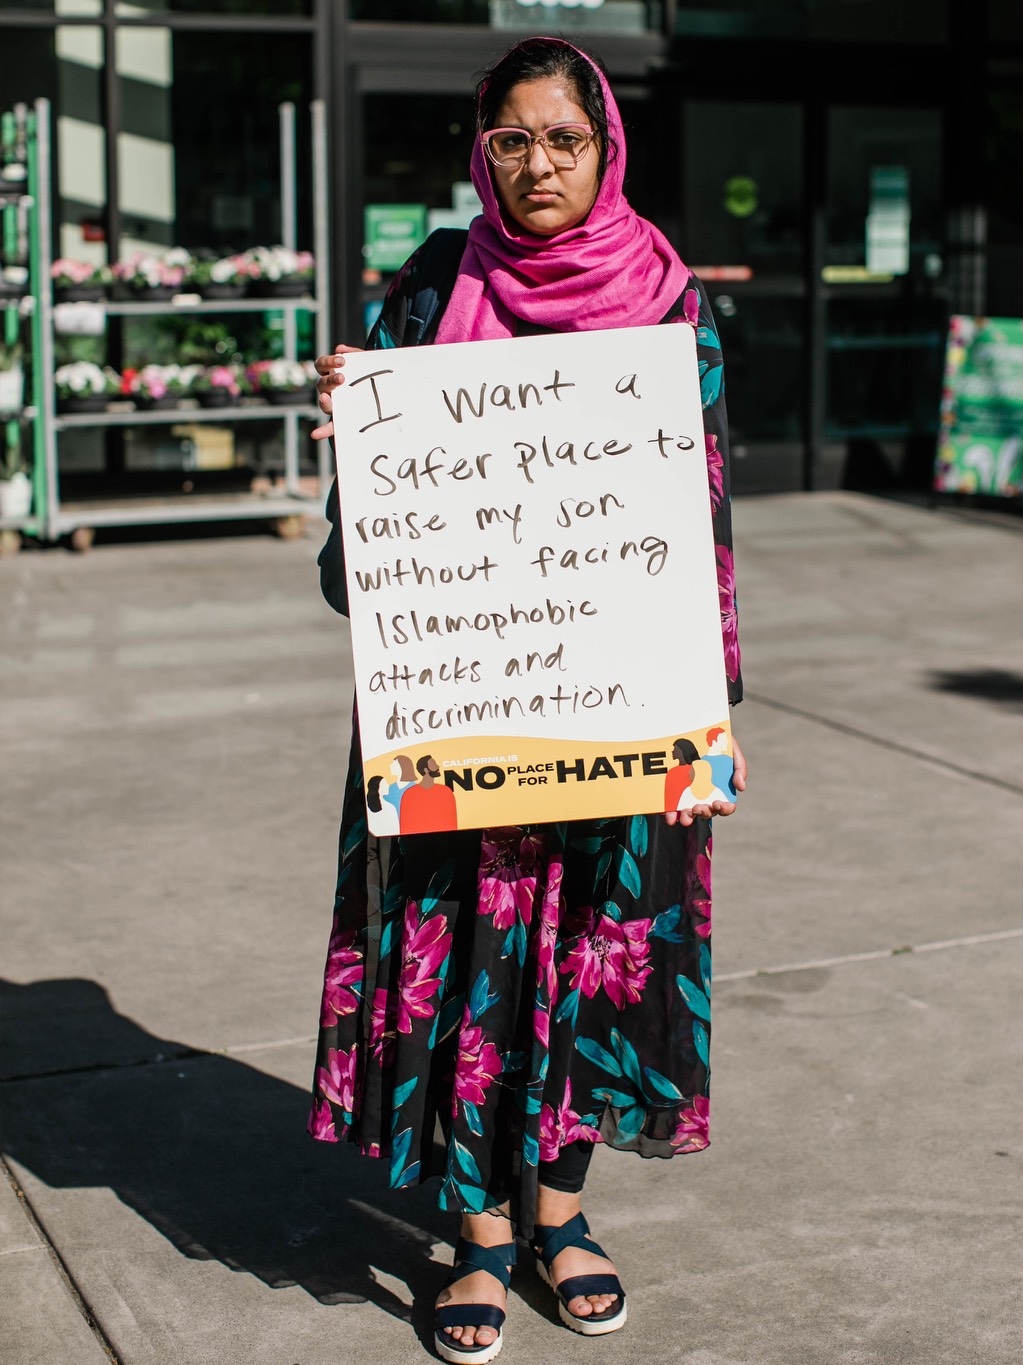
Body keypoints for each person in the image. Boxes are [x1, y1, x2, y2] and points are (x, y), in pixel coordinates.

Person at [305, 38, 747, 1364]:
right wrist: (359, 447)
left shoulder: (669, 297)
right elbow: (355, 574)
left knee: (587, 959)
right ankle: (477, 1231)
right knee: (472, 963)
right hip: (465, 708)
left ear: (607, 149)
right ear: (478, 152)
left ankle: (563, 1216)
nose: (539, 164)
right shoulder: (427, 293)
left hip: (623, 705)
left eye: (565, 139)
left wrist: (706, 711)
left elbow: (708, 521)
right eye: (512, 141)